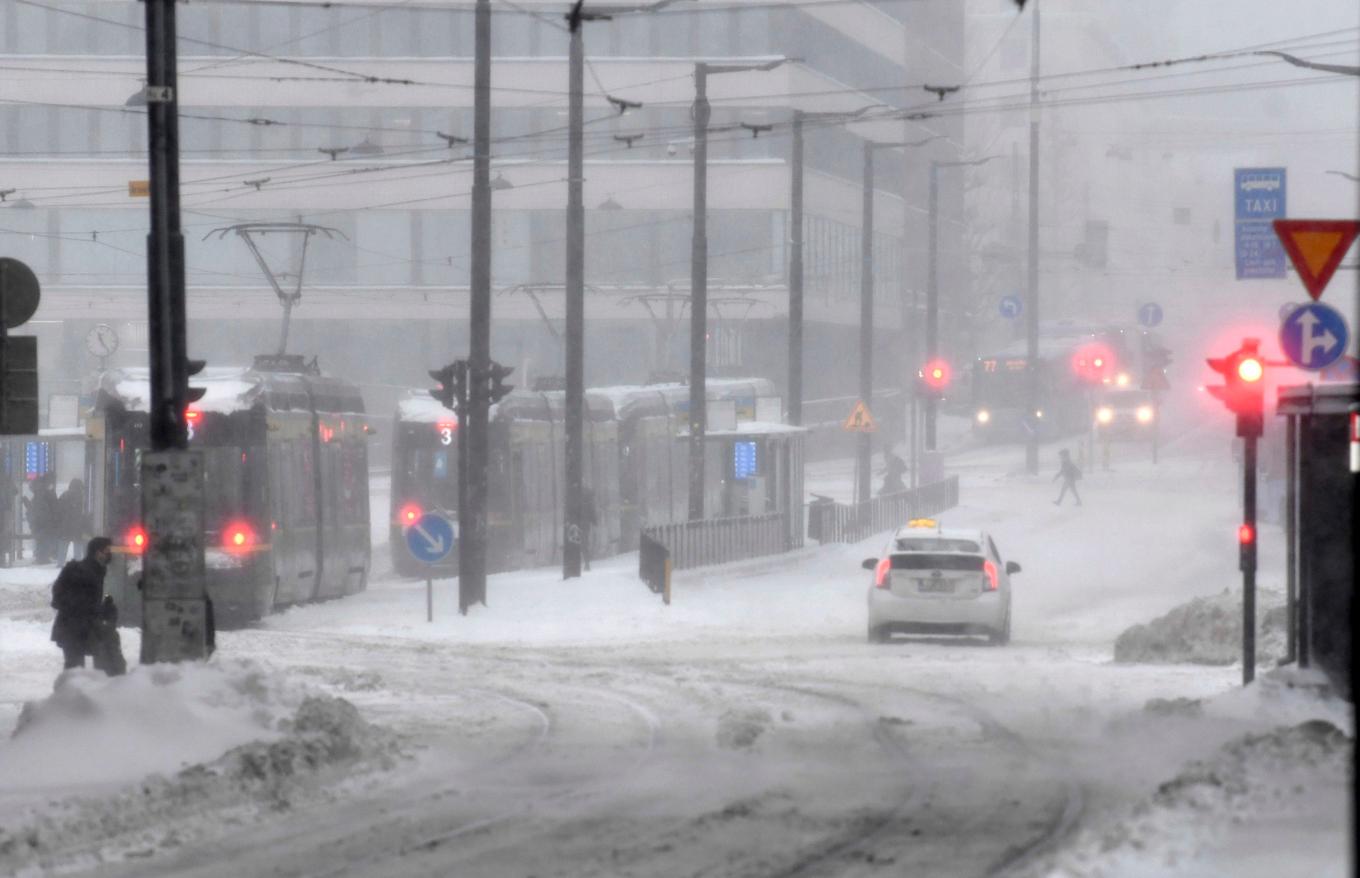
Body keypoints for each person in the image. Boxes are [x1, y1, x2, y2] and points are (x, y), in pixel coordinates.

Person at [50, 536, 125, 674]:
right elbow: (82, 603)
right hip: (76, 628)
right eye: (107, 551)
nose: (110, 555)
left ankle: (76, 690)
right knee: (78, 669)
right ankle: (82, 691)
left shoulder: (92, 570)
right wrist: (102, 609)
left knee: (75, 668)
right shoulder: (86, 572)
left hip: (74, 627)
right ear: (98, 553)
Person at [24, 475, 59, 564]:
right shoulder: (45, 493)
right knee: (43, 539)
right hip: (44, 521)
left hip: (40, 522)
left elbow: (36, 509)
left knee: (41, 539)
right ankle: (42, 556)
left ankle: (41, 557)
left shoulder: (39, 495)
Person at [55, 478, 89, 564]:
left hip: (65, 525)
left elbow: (58, 510)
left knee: (63, 544)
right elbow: (82, 512)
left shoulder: (64, 495)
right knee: (77, 544)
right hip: (77, 525)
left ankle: (60, 562)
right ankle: (77, 562)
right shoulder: (80, 496)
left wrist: (60, 521)